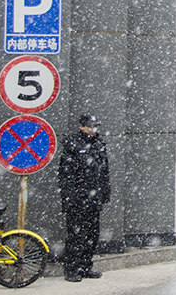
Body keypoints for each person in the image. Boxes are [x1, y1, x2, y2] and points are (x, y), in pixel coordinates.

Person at [58, 113, 111, 282]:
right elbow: (66, 175)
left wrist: (105, 193)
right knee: (76, 236)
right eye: (90, 126)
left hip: (93, 198)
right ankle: (72, 269)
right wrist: (70, 198)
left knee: (92, 235)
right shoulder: (73, 145)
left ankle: (86, 266)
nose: (93, 130)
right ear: (81, 127)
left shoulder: (99, 144)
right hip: (78, 199)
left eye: (95, 126)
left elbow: (104, 172)